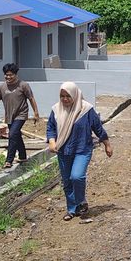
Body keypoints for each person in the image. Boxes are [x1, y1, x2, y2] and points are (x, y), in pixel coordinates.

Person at [47, 81, 112, 220]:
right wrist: (52, 141)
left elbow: (97, 127)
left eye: (68, 96)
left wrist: (107, 144)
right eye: (62, 96)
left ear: (75, 95)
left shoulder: (86, 110)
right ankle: (72, 209)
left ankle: (81, 201)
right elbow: (51, 128)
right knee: (67, 181)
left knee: (76, 176)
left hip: (82, 149)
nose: (65, 99)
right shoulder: (56, 110)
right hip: (63, 150)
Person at [0, 63, 40, 169]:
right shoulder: (1, 87)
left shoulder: (23, 85)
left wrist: (36, 112)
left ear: (15, 75)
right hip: (9, 116)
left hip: (21, 114)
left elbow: (31, 98)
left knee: (12, 134)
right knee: (16, 135)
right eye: (6, 75)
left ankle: (9, 160)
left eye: (10, 75)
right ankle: (22, 156)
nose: (8, 77)